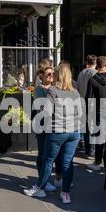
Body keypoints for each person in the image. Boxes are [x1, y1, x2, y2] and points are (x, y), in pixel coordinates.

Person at [24, 63, 82, 204]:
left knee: (48, 160)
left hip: (57, 132)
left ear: (58, 75)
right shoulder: (75, 91)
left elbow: (47, 113)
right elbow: (79, 113)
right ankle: (65, 194)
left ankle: (39, 188)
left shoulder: (53, 91)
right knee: (67, 163)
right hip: (73, 132)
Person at [34, 66, 62, 190]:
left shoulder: (56, 88)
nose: (51, 76)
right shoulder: (39, 89)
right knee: (43, 154)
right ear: (42, 76)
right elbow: (41, 107)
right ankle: (43, 181)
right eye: (48, 74)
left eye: (52, 74)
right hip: (42, 124)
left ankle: (55, 178)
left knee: (52, 155)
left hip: (54, 124)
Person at [76, 55, 97, 157]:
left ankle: (88, 150)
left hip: (82, 101)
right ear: (95, 62)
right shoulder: (94, 73)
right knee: (92, 127)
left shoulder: (81, 73)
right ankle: (92, 150)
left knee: (86, 126)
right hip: (91, 102)